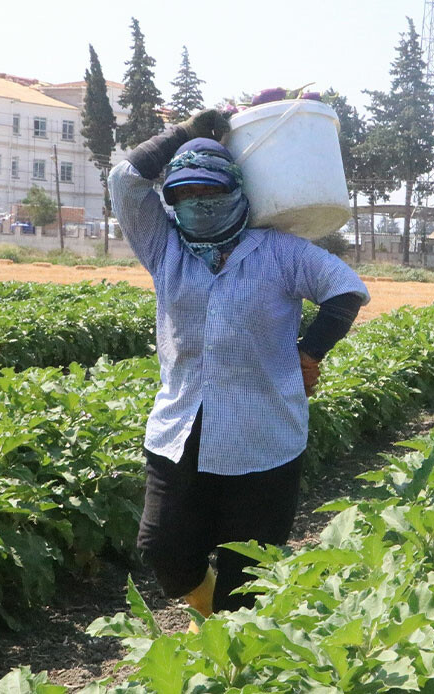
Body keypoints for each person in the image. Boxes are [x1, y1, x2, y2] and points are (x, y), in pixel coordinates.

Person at [107, 109, 369, 626]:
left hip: (264, 436)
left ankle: (233, 656)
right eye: (183, 195)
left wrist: (309, 352)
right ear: (172, 204)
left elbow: (345, 291)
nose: (197, 204)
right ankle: (210, 614)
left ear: (237, 193)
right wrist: (185, 133)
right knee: (164, 550)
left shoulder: (281, 252)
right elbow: (125, 179)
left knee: (245, 578)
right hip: (180, 429)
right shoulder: (165, 250)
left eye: (209, 193)